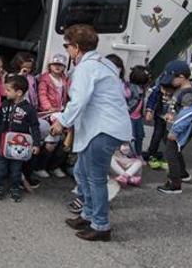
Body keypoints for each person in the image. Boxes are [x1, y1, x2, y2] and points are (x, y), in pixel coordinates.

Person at [50, 24, 132, 242]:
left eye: (67, 46)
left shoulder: (87, 68)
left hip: (103, 128)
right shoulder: (102, 63)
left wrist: (61, 122)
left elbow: (79, 100)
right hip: (104, 127)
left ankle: (101, 225)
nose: (67, 50)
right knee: (82, 171)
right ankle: (88, 214)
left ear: (76, 47)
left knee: (95, 178)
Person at [0, 74, 41, 202]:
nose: (5, 92)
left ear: (18, 92)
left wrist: (36, 144)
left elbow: (35, 126)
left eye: (8, 90)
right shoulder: (4, 104)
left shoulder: (29, 109)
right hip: (2, 144)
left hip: (19, 146)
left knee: (16, 170)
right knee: (0, 168)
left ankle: (15, 187)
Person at [155, 61, 192, 194]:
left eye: (171, 79)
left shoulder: (188, 95)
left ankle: (174, 184)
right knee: (176, 151)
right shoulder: (181, 91)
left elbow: (187, 115)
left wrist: (175, 131)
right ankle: (183, 173)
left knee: (171, 154)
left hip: (179, 130)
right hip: (174, 126)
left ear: (181, 77)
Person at [34, 54, 69, 178]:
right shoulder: (45, 79)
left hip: (61, 111)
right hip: (48, 113)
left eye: (60, 65)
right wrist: (48, 107)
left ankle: (54, 166)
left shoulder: (64, 79)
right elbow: (42, 95)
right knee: (53, 138)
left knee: (65, 139)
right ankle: (40, 167)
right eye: (55, 64)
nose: (57, 67)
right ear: (50, 66)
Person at [127, 65, 150, 156]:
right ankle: (131, 155)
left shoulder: (142, 88)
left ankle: (138, 154)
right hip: (130, 117)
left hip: (138, 117)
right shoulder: (131, 88)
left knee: (140, 136)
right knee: (131, 137)